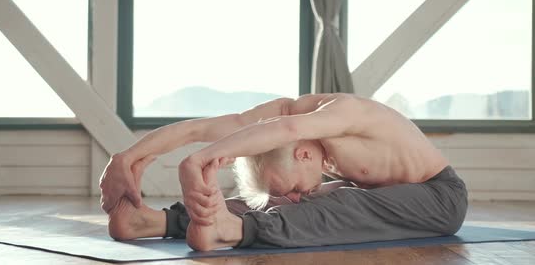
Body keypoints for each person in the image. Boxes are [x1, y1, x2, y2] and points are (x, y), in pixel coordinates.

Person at [100, 93, 468, 251]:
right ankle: (153, 223)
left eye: (293, 185)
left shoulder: (343, 113)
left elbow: (287, 133)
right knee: (267, 202)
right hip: (383, 199)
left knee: (340, 201)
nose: (293, 196)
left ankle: (235, 229)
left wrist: (198, 162)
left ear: (305, 154)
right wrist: (127, 157)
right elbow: (198, 129)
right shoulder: (283, 113)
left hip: (437, 198)